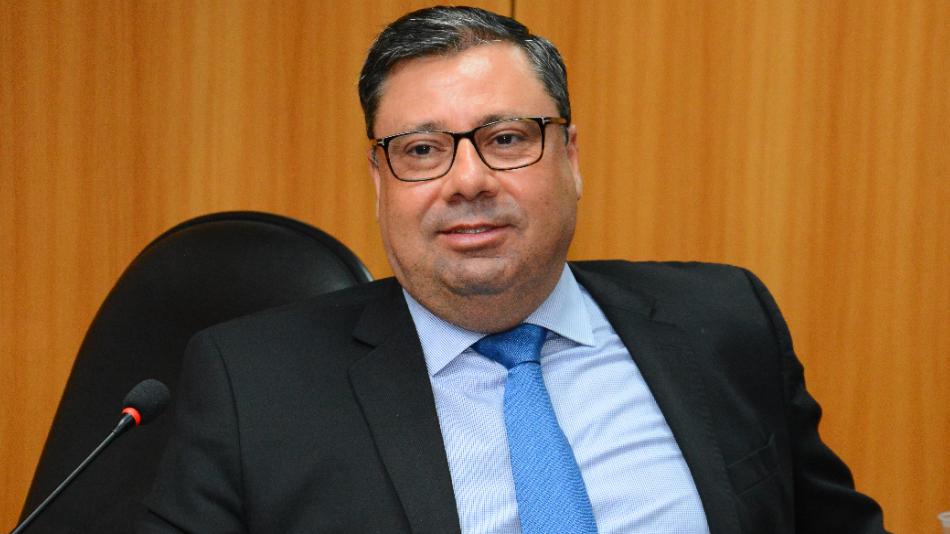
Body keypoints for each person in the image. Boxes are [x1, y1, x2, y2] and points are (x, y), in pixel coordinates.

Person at [139, 6, 887, 533]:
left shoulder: (724, 319)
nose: (467, 181)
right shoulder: (252, 386)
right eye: (422, 150)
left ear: (571, 157)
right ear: (380, 181)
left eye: (505, 139)